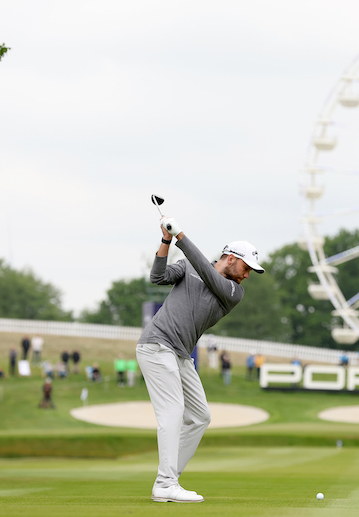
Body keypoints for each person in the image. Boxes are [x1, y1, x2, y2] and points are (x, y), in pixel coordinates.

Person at [135, 215, 263, 504]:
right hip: (157, 346)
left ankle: (167, 480)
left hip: (180, 355)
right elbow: (158, 277)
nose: (246, 275)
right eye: (246, 267)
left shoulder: (233, 292)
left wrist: (180, 235)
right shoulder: (191, 266)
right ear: (231, 258)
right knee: (172, 412)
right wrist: (166, 241)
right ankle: (166, 483)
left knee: (200, 416)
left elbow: (208, 272)